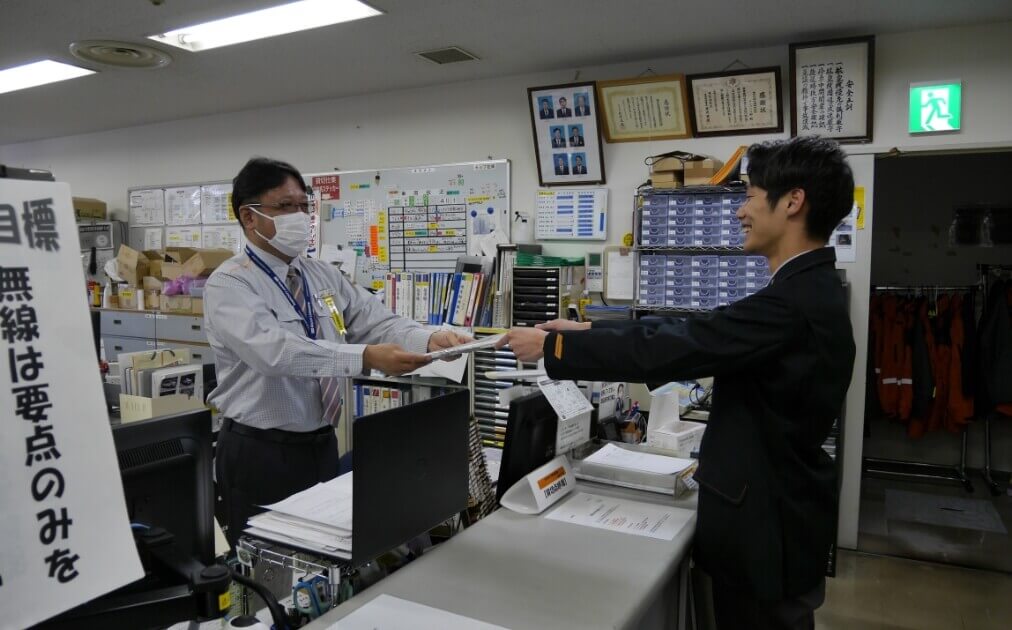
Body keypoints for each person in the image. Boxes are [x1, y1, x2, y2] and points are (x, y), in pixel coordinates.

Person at [502, 136, 856, 630]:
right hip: (777, 522)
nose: (740, 211)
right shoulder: (808, 292)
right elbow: (695, 331)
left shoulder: (791, 304)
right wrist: (585, 331)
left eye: (751, 196)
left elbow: (681, 344)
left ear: (793, 201)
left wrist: (554, 348)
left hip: (765, 534)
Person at [205, 157, 469, 548]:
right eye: (285, 206)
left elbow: (376, 321)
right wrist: (365, 358)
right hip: (259, 451)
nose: (300, 217)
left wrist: (429, 340)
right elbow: (276, 353)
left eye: (304, 206)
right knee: (267, 562)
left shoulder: (320, 275)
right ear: (249, 216)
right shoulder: (230, 284)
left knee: (326, 554)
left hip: (321, 444)